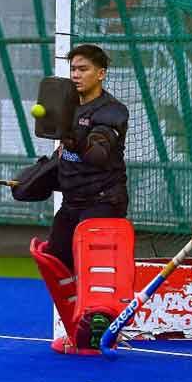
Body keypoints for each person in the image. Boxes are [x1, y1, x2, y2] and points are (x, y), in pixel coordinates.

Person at [46, 44, 130, 273]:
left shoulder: (113, 111)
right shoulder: (68, 107)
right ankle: (73, 310)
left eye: (83, 69)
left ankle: (98, 311)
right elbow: (65, 155)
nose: (75, 75)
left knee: (94, 272)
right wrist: (37, 176)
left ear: (101, 73)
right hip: (72, 202)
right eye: (73, 69)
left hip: (102, 203)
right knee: (55, 263)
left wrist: (74, 139)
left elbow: (98, 155)